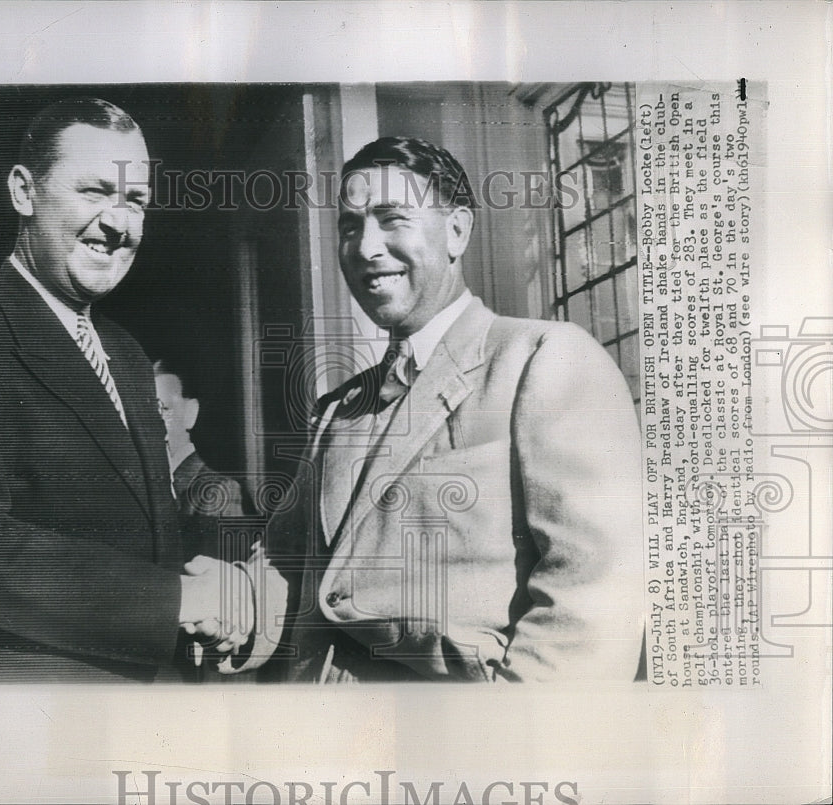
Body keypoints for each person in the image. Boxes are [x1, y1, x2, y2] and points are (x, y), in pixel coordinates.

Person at [231, 136, 644, 683]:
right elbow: (293, 579)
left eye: (392, 219)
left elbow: (596, 590)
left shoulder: (541, 359)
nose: (365, 247)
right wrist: (195, 599)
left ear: (457, 230)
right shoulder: (337, 410)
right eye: (350, 226)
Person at [0, 97, 249, 682]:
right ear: (24, 191)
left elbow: (146, 530)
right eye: (95, 191)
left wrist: (224, 590)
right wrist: (182, 602)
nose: (118, 223)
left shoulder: (124, 351)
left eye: (136, 201)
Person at [152, 359, 256, 551]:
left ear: (191, 413)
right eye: (144, 413)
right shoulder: (144, 487)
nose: (151, 424)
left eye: (163, 409)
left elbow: (218, 577)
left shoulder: (217, 490)